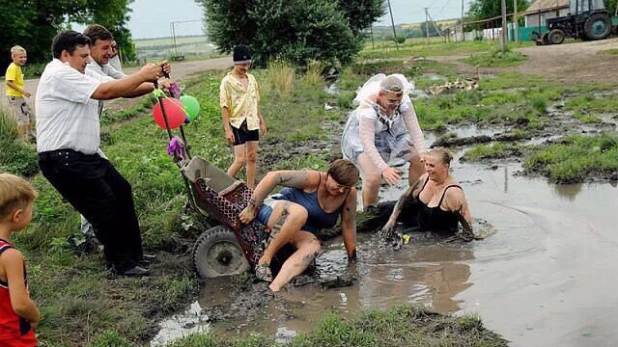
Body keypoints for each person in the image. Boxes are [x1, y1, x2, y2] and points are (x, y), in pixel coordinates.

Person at [36, 30, 164, 276]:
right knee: (104, 203)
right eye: (83, 55)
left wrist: (155, 80)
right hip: (62, 158)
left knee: (121, 191)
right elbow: (106, 92)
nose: (87, 60)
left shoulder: (79, 71)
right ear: (65, 54)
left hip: (85, 155)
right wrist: (142, 74)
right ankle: (119, 263)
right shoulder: (59, 73)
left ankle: (133, 255)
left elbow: (120, 88)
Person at [78, 24, 172, 246]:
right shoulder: (88, 70)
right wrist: (151, 81)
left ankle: (96, 234)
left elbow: (125, 81)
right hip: (76, 141)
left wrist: (157, 76)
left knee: (106, 187)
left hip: (88, 138)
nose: (111, 52)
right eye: (105, 48)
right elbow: (117, 89)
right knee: (100, 188)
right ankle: (94, 236)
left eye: (112, 47)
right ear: (88, 48)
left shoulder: (103, 66)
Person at [238, 159, 359, 292]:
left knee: (313, 246)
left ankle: (275, 287)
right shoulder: (314, 179)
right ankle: (264, 260)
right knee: (300, 213)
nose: (341, 190)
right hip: (277, 212)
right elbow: (274, 176)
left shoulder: (349, 194)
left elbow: (348, 225)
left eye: (346, 188)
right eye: (339, 185)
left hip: (298, 231)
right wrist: (251, 208)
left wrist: (352, 260)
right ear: (329, 175)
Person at [341, 74, 427, 210]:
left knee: (418, 159)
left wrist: (422, 152)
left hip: (389, 131)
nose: (395, 105)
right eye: (391, 101)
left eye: (398, 101)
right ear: (381, 95)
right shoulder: (368, 110)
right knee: (373, 176)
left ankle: (415, 200)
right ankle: (369, 212)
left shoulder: (402, 101)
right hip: (361, 138)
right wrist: (384, 168)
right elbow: (367, 143)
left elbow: (414, 129)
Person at [380, 147, 475, 248]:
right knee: (380, 211)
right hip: (419, 224)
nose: (427, 169)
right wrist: (392, 219)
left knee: (399, 245)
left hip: (436, 236)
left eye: (432, 166)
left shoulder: (453, 193)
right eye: (426, 165)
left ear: (445, 167)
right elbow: (405, 197)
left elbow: (468, 229)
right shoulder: (425, 178)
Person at [0, 173, 40, 346]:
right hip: (10, 336)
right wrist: (35, 315)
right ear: (17, 216)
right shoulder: (9, 256)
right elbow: (21, 304)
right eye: (31, 209)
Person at [220, 45, 267, 189]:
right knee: (240, 159)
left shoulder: (252, 79)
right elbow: (224, 105)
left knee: (252, 157)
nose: (245, 67)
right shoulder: (227, 82)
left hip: (252, 122)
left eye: (248, 64)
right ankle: (222, 186)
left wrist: (262, 121)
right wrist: (227, 129)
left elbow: (255, 101)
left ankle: (251, 190)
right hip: (237, 123)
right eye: (242, 64)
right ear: (235, 63)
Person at [4, 46, 35, 141]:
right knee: (22, 119)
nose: (23, 59)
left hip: (19, 96)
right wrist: (24, 92)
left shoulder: (17, 67)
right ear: (13, 57)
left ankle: (30, 135)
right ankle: (21, 141)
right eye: (20, 57)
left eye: (24, 57)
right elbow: (8, 82)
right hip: (15, 97)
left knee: (30, 113)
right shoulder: (12, 68)